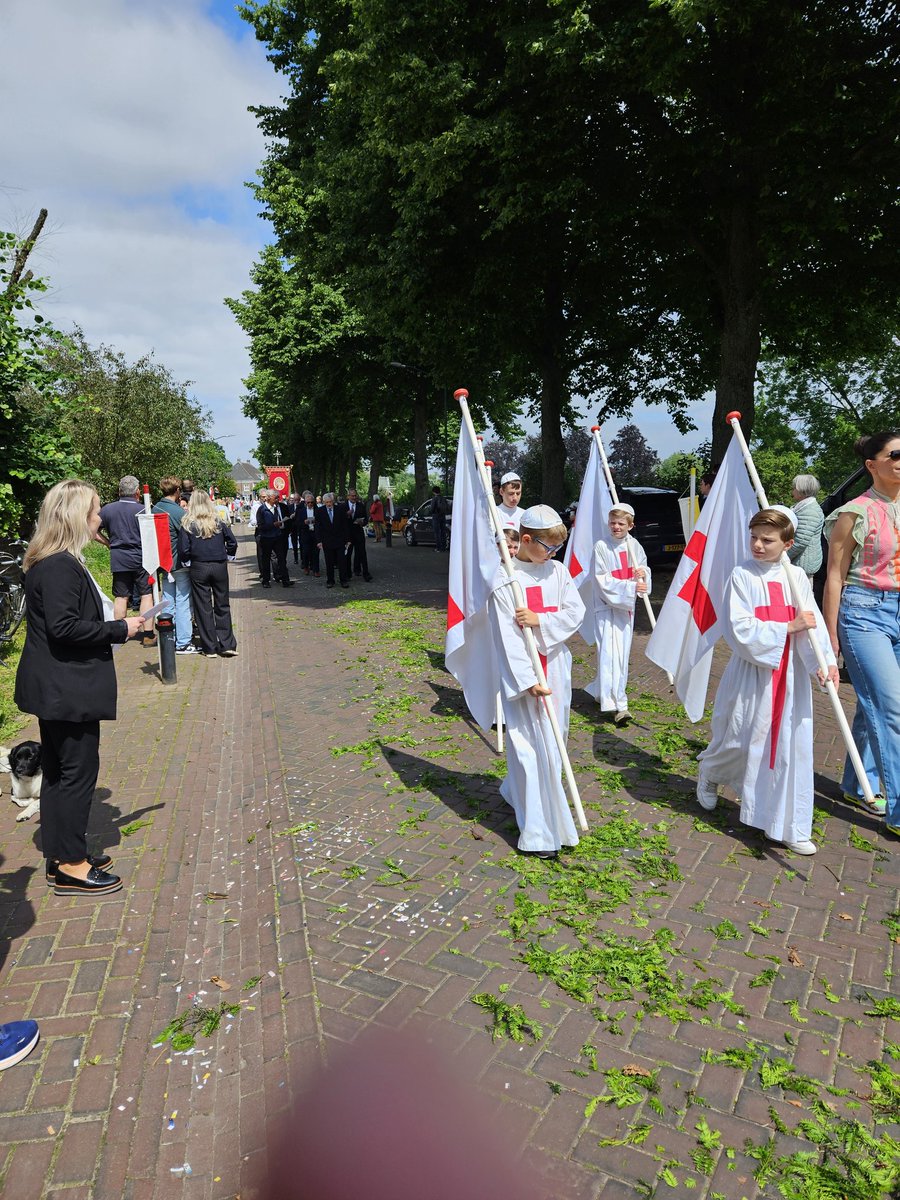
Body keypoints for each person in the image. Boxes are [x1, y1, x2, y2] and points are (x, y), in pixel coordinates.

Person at [14, 479, 145, 895]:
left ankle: (62, 852)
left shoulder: (54, 561)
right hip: (66, 688)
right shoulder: (59, 566)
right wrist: (120, 628)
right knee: (76, 773)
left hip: (58, 686)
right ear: (74, 517)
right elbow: (64, 626)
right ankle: (72, 863)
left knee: (58, 771)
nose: (99, 518)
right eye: (94, 512)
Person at [696, 508, 838, 855]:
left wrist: (825, 664)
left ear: (788, 543)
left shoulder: (798, 578)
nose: (758, 545)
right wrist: (785, 628)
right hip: (753, 671)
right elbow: (738, 627)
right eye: (754, 537)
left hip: (789, 674)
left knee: (790, 747)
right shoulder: (741, 575)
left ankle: (789, 824)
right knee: (740, 740)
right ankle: (711, 772)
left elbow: (812, 622)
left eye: (767, 540)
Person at [488, 504, 585, 859]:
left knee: (554, 742)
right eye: (549, 547)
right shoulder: (505, 578)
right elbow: (506, 636)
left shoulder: (557, 571)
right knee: (530, 749)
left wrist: (540, 620)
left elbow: (575, 612)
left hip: (556, 668)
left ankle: (517, 791)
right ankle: (539, 832)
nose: (554, 554)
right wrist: (527, 679)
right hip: (526, 677)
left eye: (558, 547)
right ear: (525, 540)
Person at [824, 430, 900, 830]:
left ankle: (859, 783)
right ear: (872, 465)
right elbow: (834, 576)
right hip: (864, 612)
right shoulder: (853, 512)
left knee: (873, 704)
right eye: (895, 454)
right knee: (892, 709)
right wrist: (831, 636)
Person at [585, 503, 650, 724]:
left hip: (625, 610)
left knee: (620, 656)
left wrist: (643, 576)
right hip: (605, 607)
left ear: (630, 525)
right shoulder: (601, 546)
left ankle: (603, 692)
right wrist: (630, 587)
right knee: (608, 654)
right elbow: (601, 579)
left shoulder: (635, 546)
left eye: (621, 523)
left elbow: (643, 569)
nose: (616, 527)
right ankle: (618, 705)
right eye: (613, 522)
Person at [177, 491, 238, 657]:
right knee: (222, 604)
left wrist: (187, 562)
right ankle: (227, 644)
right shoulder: (218, 521)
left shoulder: (188, 523)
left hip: (198, 567)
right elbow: (232, 541)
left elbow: (183, 549)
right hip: (219, 566)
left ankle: (210, 647)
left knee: (203, 607)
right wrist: (228, 555)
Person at [97, 475, 156, 646]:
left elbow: (91, 530)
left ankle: (119, 633)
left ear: (119, 491)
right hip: (141, 558)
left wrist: (108, 543)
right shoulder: (143, 510)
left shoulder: (107, 510)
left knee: (121, 596)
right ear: (138, 492)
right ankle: (148, 634)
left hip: (119, 558)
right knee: (146, 595)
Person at [152, 477, 195, 655]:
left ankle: (168, 637)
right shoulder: (178, 512)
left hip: (163, 563)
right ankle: (183, 642)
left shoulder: (154, 509)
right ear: (177, 490)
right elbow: (189, 535)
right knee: (183, 602)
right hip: (179, 564)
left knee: (167, 601)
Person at [787, 474, 824, 579]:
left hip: (802, 565)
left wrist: (783, 556)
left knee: (800, 595)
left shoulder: (810, 511)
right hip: (799, 563)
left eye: (794, 488)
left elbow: (800, 541)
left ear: (801, 490)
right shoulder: (804, 507)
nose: (792, 491)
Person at [256, 490, 294, 588]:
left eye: (278, 497)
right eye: (275, 498)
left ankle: (285, 580)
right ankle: (266, 580)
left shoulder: (276, 508)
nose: (277, 499)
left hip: (277, 536)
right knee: (266, 559)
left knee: (281, 558)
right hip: (266, 538)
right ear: (269, 498)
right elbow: (260, 526)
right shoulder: (262, 509)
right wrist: (273, 525)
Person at [316, 492, 352, 588]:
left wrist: (348, 539)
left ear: (333, 501)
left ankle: (343, 580)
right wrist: (319, 541)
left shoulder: (340, 510)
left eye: (330, 502)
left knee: (342, 561)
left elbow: (345, 525)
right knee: (329, 562)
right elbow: (318, 527)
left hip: (340, 540)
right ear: (324, 502)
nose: (329, 504)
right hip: (327, 540)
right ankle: (330, 580)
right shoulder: (320, 511)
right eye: (327, 502)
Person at [345, 489, 372, 579]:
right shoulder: (343, 506)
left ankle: (365, 573)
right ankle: (348, 573)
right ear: (348, 496)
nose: (354, 497)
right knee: (348, 554)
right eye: (352, 496)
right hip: (348, 534)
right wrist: (347, 515)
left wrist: (362, 522)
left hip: (358, 532)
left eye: (355, 495)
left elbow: (366, 519)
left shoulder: (361, 505)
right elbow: (339, 520)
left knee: (362, 553)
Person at [298, 491, 321, 576]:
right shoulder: (301, 511)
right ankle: (306, 567)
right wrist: (304, 522)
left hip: (315, 533)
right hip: (305, 533)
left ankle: (316, 570)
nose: (310, 504)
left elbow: (321, 522)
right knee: (306, 552)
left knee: (316, 552)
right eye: (308, 502)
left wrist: (316, 521)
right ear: (305, 502)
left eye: (312, 502)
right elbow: (298, 523)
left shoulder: (318, 510)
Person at [431, 485, 449, 552]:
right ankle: (443, 547)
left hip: (436, 516)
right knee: (443, 532)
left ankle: (438, 548)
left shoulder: (434, 499)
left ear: (434, 492)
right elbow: (447, 507)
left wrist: (432, 512)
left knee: (437, 532)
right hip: (443, 516)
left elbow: (432, 508)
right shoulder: (443, 498)